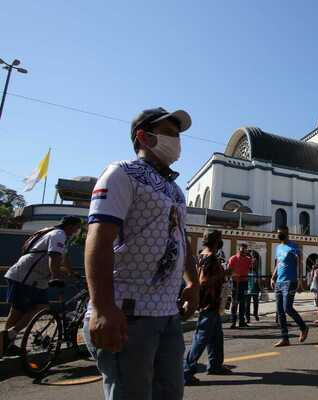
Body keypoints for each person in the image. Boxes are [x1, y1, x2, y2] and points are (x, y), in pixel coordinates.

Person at [83, 107, 199, 399]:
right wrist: (102, 307)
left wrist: (192, 281)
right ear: (143, 137)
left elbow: (180, 239)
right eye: (169, 134)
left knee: (170, 392)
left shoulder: (175, 191)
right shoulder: (121, 174)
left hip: (166, 314)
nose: (177, 141)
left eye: (178, 135)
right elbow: (99, 238)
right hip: (128, 313)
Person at [1, 216, 82, 356]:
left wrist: (72, 273)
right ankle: (9, 337)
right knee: (25, 310)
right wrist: (55, 277)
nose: (77, 231)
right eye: (77, 228)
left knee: (22, 311)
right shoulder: (58, 234)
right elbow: (54, 256)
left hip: (34, 279)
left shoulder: (57, 235)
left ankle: (6, 342)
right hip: (26, 277)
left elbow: (65, 258)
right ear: (72, 226)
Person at [183, 230, 231, 384]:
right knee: (201, 337)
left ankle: (215, 365)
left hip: (212, 302)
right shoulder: (210, 258)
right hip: (209, 302)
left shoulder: (202, 254)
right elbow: (203, 282)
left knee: (216, 335)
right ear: (216, 241)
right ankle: (186, 371)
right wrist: (224, 274)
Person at [271, 226, 309, 347]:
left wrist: (300, 280)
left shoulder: (293, 246)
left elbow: (299, 263)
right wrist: (273, 276)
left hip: (290, 281)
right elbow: (278, 263)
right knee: (280, 310)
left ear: (286, 233)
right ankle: (284, 338)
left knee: (287, 308)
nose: (278, 234)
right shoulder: (278, 248)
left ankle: (303, 328)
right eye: (277, 233)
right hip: (279, 282)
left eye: (280, 233)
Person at [227, 244, 253, 328]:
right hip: (235, 283)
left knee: (243, 302)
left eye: (245, 250)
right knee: (235, 302)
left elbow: (252, 268)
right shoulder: (233, 258)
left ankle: (242, 321)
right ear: (238, 250)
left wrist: (252, 261)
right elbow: (228, 270)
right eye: (242, 250)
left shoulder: (248, 259)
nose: (243, 252)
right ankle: (233, 322)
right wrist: (234, 275)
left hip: (244, 282)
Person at [245, 253, 261, 323]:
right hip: (247, 287)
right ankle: (247, 317)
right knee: (247, 303)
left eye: (254, 263)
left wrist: (260, 286)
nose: (253, 263)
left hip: (255, 288)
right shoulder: (246, 271)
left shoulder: (256, 271)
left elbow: (258, 279)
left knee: (255, 302)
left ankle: (255, 314)